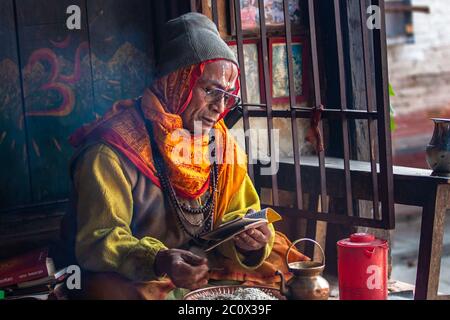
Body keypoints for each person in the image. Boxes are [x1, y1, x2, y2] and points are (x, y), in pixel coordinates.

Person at [61, 12, 307, 300]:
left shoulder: (220, 142)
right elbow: (99, 241)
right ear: (176, 83)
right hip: (143, 271)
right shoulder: (111, 150)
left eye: (228, 95)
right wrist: (160, 259)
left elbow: (238, 215)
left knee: (284, 265)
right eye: (210, 90)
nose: (220, 107)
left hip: (204, 263)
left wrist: (248, 242)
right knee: (113, 292)